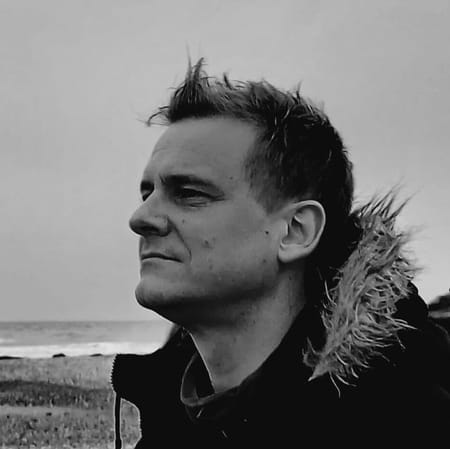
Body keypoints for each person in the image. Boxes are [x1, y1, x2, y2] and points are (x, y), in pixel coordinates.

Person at [111, 59, 450, 448]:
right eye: (147, 194)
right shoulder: (169, 414)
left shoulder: (413, 418)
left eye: (189, 193)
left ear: (295, 232)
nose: (141, 218)